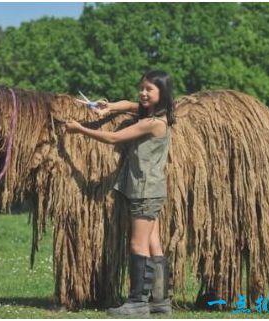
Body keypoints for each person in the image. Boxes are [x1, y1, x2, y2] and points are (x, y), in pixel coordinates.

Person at [65, 70, 174, 316]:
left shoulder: (152, 123)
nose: (143, 93)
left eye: (149, 90)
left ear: (162, 94)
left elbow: (114, 137)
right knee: (153, 242)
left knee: (138, 244)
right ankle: (160, 300)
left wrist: (79, 129)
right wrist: (109, 107)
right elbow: (130, 105)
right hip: (152, 189)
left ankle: (137, 302)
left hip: (144, 190)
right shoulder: (158, 115)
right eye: (142, 88)